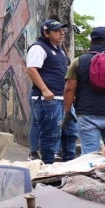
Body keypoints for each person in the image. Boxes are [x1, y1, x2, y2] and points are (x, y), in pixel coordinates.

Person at [25, 19, 71, 164]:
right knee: (50, 133)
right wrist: (45, 90)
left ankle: (65, 161)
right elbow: (32, 69)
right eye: (57, 31)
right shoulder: (39, 48)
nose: (62, 34)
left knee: (69, 131)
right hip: (48, 99)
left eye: (62, 30)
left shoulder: (59, 49)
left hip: (60, 97)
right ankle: (47, 163)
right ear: (46, 33)